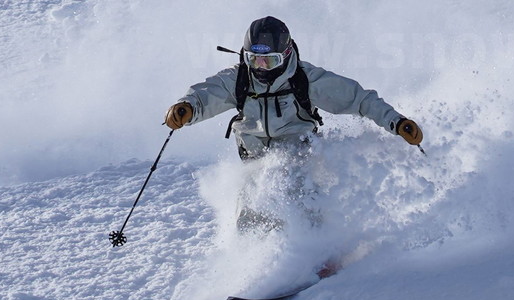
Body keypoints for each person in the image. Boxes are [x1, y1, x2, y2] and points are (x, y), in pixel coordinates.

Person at [163, 15, 422, 231]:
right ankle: (254, 267)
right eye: (254, 59)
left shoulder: (305, 79)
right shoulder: (238, 80)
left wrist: (396, 122)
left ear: (286, 55)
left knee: (293, 190)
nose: (261, 67)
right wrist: (186, 107)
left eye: (270, 60)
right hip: (254, 157)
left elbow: (360, 99)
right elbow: (206, 95)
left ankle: (316, 250)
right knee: (249, 213)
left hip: (298, 153)